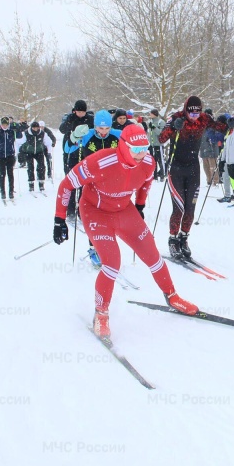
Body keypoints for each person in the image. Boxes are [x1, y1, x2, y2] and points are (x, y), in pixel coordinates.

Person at [52, 124, 199, 339]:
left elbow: (146, 182)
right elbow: (66, 185)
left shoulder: (148, 162)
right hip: (95, 212)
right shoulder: (100, 161)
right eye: (135, 149)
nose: (141, 154)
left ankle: (172, 296)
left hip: (124, 209)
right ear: (123, 146)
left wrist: (139, 205)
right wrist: (59, 220)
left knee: (153, 256)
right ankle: (101, 313)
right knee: (112, 263)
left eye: (145, 148)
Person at [158, 95, 227, 258]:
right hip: (176, 168)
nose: (195, 116)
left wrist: (227, 123)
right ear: (186, 110)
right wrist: (174, 127)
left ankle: (184, 238)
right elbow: (161, 138)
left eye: (197, 113)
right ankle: (173, 239)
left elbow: (220, 128)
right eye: (192, 113)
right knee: (179, 207)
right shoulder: (177, 117)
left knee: (190, 208)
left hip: (193, 169)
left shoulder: (204, 119)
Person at [74, 109, 123, 266]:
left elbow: (136, 144)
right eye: (100, 128)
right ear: (95, 126)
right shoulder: (87, 135)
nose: (103, 132)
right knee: (92, 216)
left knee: (110, 215)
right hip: (92, 182)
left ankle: (108, 247)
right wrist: (74, 136)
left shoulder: (117, 134)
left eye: (107, 128)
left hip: (112, 182)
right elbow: (69, 148)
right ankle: (93, 248)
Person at [0, 116, 26, 200]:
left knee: (10, 173)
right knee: (2, 173)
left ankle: (11, 191)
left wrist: (17, 128)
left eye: (6, 124)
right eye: (3, 124)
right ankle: (2, 191)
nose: (5, 126)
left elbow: (20, 136)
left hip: (10, 155)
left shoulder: (11, 131)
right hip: (0, 155)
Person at [60, 100, 94, 173]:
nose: (81, 114)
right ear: (75, 111)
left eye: (83, 112)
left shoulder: (90, 119)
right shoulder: (71, 118)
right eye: (79, 112)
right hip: (71, 145)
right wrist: (68, 122)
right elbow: (62, 130)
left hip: (85, 146)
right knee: (69, 167)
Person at [22, 121, 52, 193]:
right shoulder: (26, 133)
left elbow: (48, 142)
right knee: (30, 167)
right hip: (29, 152)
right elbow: (20, 142)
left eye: (37, 128)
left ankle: (41, 183)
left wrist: (49, 152)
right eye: (34, 128)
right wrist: (20, 152)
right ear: (31, 128)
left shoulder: (42, 133)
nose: (35, 129)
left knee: (41, 167)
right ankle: (31, 184)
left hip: (39, 151)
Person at [199, 109, 220, 186]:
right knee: (206, 167)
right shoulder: (201, 124)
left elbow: (218, 134)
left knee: (213, 166)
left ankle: (216, 180)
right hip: (203, 147)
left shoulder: (214, 124)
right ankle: (209, 180)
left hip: (212, 148)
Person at [146, 109, 167, 181]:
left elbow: (160, 133)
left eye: (151, 114)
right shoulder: (150, 122)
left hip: (159, 144)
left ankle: (163, 174)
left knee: (160, 160)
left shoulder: (161, 122)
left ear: (154, 114)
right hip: (151, 145)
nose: (150, 115)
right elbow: (149, 133)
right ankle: (154, 176)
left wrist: (154, 127)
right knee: (153, 160)